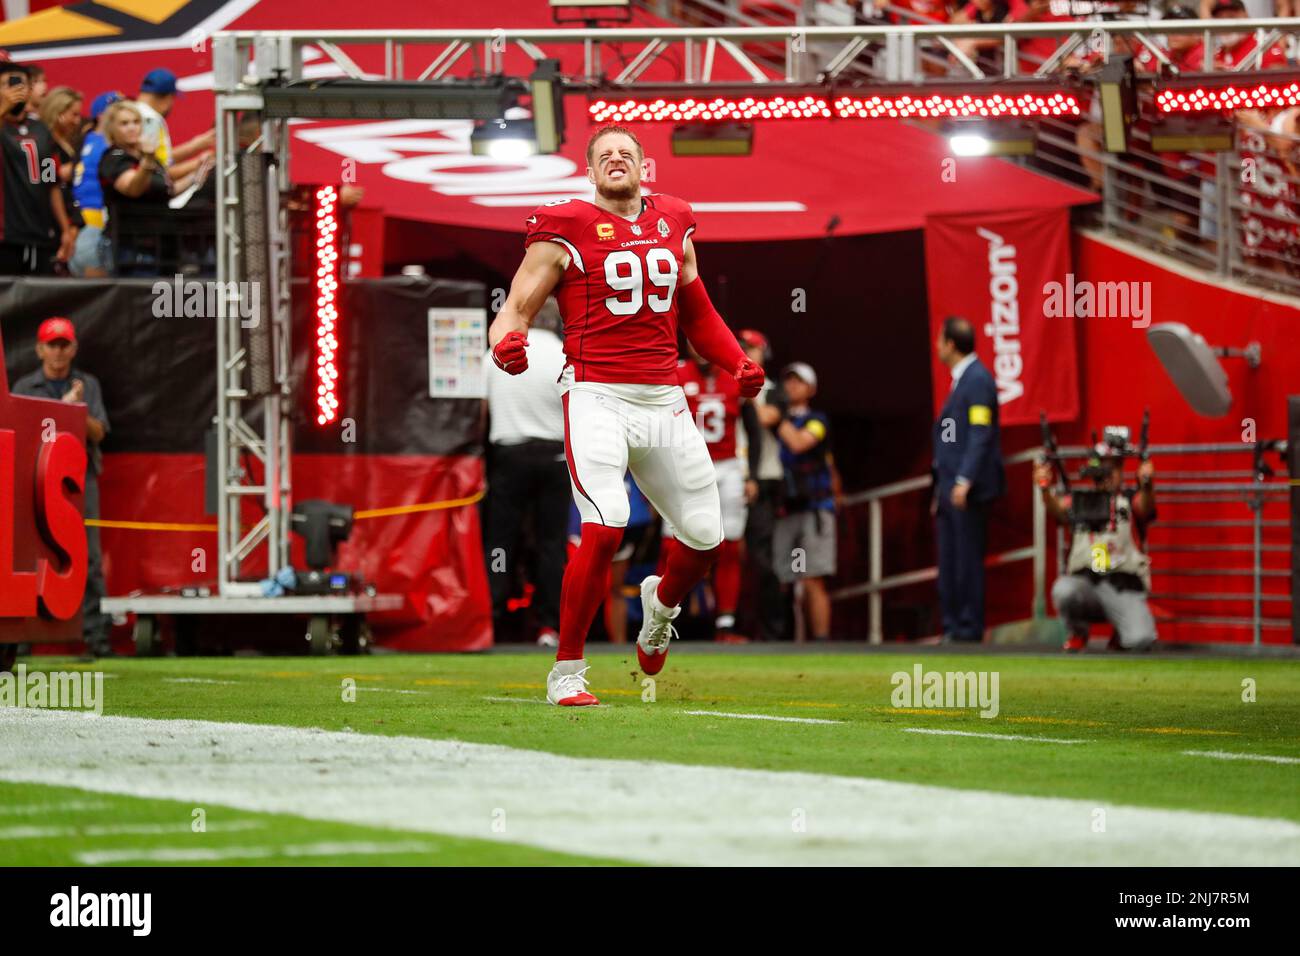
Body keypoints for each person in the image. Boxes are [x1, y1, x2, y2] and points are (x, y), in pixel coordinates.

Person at [487, 124, 764, 706]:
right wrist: (507, 340)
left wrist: (736, 360)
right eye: (604, 155)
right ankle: (566, 669)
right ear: (589, 172)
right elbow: (514, 306)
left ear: (646, 168)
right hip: (595, 393)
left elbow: (699, 314)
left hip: (664, 399)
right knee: (607, 522)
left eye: (626, 154)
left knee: (706, 537)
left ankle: (658, 606)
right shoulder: (563, 226)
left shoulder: (676, 220)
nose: (616, 160)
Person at [11, 318, 112, 657]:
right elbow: (21, 436)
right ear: (40, 349)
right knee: (26, 555)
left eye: (63, 344)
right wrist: (63, 407)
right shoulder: (26, 386)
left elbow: (98, 433)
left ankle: (96, 641)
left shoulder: (89, 385)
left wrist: (77, 411)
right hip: (32, 481)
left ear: (73, 348)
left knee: (89, 558)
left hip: (78, 482)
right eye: (52, 345)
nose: (58, 352)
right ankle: (18, 640)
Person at [482, 296, 569, 648]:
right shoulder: (566, 356)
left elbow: (479, 413)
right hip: (555, 457)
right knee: (551, 544)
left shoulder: (496, 356)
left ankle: (492, 616)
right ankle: (550, 625)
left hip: (509, 454)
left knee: (500, 541)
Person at [661, 342, 761, 641]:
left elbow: (753, 430)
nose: (700, 349)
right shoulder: (676, 372)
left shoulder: (734, 374)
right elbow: (661, 424)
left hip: (727, 467)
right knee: (672, 546)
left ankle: (725, 623)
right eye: (694, 343)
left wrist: (752, 474)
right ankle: (663, 616)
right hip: (687, 466)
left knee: (730, 546)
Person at [1034, 444, 1158, 651]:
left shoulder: (1129, 499)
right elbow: (1058, 510)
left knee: (1141, 639)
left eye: (1113, 468)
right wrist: (1045, 488)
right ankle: (1078, 631)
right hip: (1088, 583)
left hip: (1121, 585)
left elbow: (1145, 506)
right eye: (1103, 468)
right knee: (1064, 590)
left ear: (1122, 471)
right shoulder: (1079, 500)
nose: (1108, 475)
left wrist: (1147, 483)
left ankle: (1121, 632)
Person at [931, 316, 1005, 643]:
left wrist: (964, 479)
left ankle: (968, 629)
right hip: (949, 487)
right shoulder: (963, 380)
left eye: (939, 339)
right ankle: (953, 627)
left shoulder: (977, 380)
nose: (936, 345)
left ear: (950, 344)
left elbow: (980, 433)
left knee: (966, 560)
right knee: (949, 560)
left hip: (967, 490)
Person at [98, 99, 201, 275]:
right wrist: (146, 163)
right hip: (133, 248)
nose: (132, 127)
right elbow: (133, 188)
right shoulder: (114, 158)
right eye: (124, 123)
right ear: (112, 129)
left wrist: (197, 176)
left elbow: (169, 189)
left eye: (136, 122)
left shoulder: (147, 157)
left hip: (161, 245)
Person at [771, 362, 836, 642]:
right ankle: (784, 642)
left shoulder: (818, 420)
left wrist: (776, 418)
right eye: (789, 380)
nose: (792, 386)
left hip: (815, 509)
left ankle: (821, 642)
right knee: (782, 579)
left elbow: (799, 443)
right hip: (785, 509)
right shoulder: (775, 418)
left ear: (811, 389)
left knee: (813, 578)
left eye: (799, 381)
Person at [0, 56, 74, 274]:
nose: (16, 91)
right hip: (5, 235)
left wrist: (64, 228)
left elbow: (51, 180)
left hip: (40, 232)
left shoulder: (41, 130)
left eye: (21, 84)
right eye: (7, 84)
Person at [739, 329, 790, 641]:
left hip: (765, 479)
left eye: (751, 349)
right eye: (741, 347)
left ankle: (773, 630)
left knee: (762, 558)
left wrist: (742, 393)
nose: (745, 352)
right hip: (728, 473)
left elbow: (769, 417)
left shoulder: (773, 390)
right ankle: (723, 625)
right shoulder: (721, 384)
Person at [69, 91, 120, 277]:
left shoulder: (86, 139)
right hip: (89, 216)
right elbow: (52, 176)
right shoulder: (103, 143)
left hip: (86, 218)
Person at [135, 68, 214, 181]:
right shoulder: (151, 119)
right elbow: (158, 173)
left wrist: (196, 144)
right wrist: (202, 161)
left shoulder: (130, 114)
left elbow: (161, 159)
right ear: (168, 98)